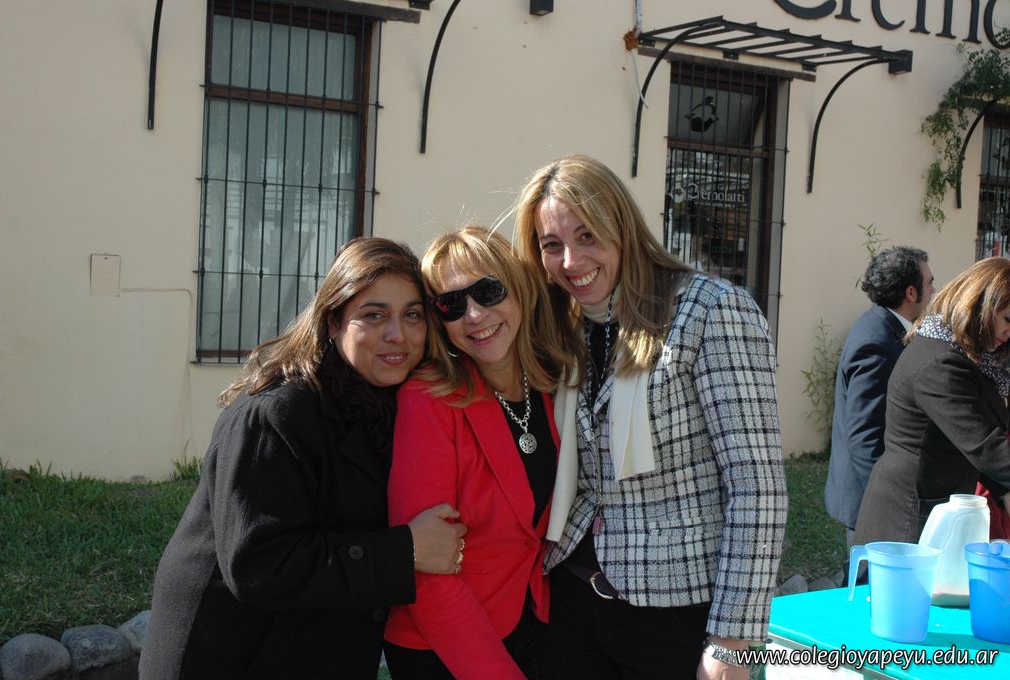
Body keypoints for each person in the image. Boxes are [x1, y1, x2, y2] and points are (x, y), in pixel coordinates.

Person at [138, 238, 467, 680]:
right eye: (374, 315)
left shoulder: (393, 407)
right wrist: (405, 551)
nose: (398, 335)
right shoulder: (275, 414)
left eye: (412, 315)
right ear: (333, 322)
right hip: (230, 657)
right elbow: (259, 563)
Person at [513, 154, 788, 680]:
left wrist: (731, 639)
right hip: (571, 599)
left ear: (622, 227)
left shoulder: (710, 310)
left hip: (675, 611)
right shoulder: (561, 324)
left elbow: (757, 485)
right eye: (551, 244)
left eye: (587, 235)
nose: (571, 260)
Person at [383, 226, 577, 679]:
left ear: (520, 287)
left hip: (527, 618)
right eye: (451, 305)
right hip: (446, 643)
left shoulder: (550, 382)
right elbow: (427, 570)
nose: (473, 315)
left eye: (488, 291)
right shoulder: (428, 400)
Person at [854, 256, 1010, 547]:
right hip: (909, 519)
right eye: (1007, 320)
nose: (1008, 332)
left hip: (935, 511)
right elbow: (983, 445)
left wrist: (1002, 490)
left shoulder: (963, 354)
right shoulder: (940, 361)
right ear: (981, 305)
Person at [825, 246, 934, 544]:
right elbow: (865, 436)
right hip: (872, 505)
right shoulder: (876, 341)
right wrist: (887, 504)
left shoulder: (885, 327)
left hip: (879, 499)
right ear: (911, 292)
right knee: (869, 575)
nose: (934, 291)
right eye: (930, 283)